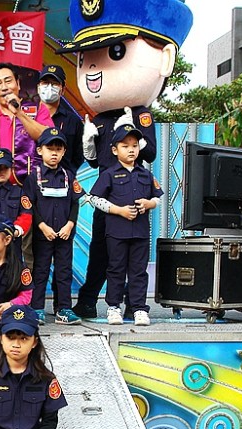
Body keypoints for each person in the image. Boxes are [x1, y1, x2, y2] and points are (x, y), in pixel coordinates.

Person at [57, 0, 192, 320]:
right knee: (101, 251)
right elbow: (93, 162)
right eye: (85, 59)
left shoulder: (141, 115)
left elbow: (151, 153)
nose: (94, 70)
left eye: (116, 52)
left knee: (134, 254)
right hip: (108, 190)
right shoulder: (98, 119)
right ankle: (89, 300)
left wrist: (134, 137)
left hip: (133, 190)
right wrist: (89, 142)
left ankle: (134, 303)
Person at [86, 125, 163, 326]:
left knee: (139, 272)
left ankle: (139, 309)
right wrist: (118, 210)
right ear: (114, 150)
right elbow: (94, 198)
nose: (131, 150)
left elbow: (158, 197)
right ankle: (113, 307)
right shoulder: (109, 174)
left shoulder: (145, 174)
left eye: (135, 146)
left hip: (140, 233)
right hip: (116, 233)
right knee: (116, 270)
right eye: (125, 146)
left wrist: (149, 204)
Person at [26, 129, 83, 325]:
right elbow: (29, 205)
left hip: (64, 235)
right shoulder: (33, 177)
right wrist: (42, 226)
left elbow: (75, 203)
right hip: (43, 235)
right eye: (50, 149)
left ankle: (63, 309)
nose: (54, 153)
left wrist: (70, 225)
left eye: (58, 149)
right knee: (40, 271)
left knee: (64, 271)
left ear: (64, 152)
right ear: (40, 150)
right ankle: (37, 308)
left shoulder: (69, 176)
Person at [0, 63, 52, 187]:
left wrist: (19, 113)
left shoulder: (37, 109)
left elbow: (48, 139)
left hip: (33, 188)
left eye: (8, 81)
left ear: (18, 84)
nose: (4, 87)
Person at [36, 65, 84, 175]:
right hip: (33, 180)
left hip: (64, 179)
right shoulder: (29, 116)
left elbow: (79, 157)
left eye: (54, 84)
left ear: (63, 90)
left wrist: (71, 176)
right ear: (38, 87)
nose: (49, 87)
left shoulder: (73, 121)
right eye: (45, 83)